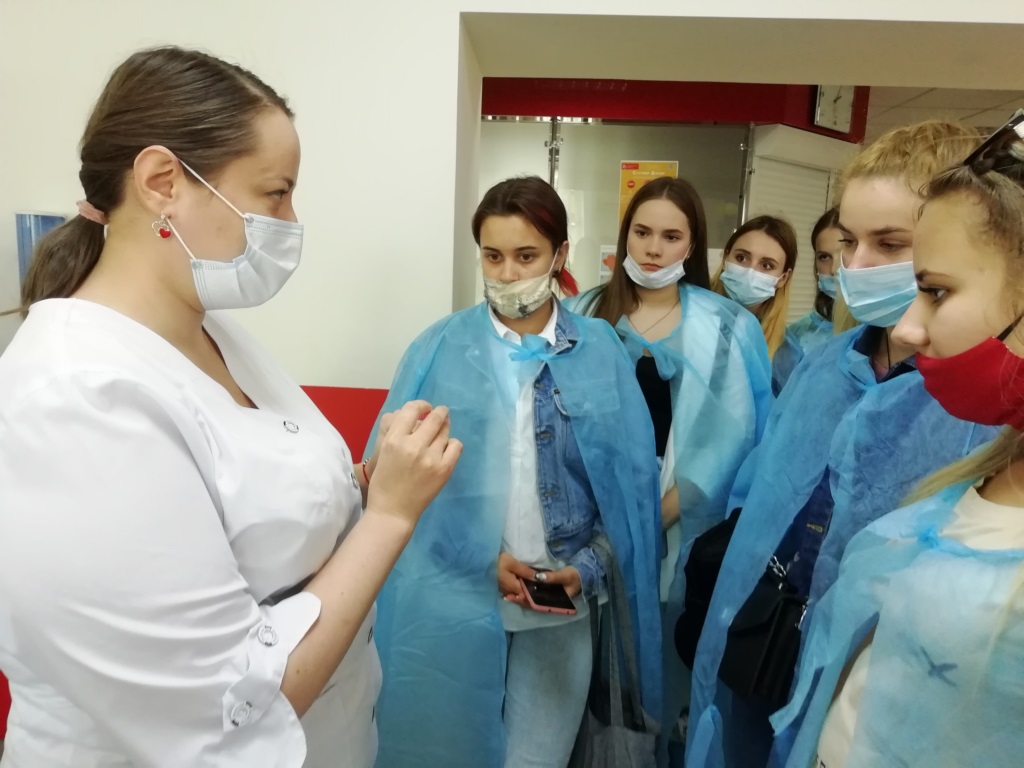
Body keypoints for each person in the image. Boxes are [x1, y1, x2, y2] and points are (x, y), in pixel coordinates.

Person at [0, 46, 459, 768]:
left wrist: (354, 491)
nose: (291, 220)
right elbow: (229, 713)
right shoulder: (75, 398)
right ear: (163, 182)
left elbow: (243, 504)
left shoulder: (211, 332)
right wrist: (390, 516)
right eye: (275, 193)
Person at [685, 121, 1000, 768]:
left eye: (891, 244)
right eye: (848, 243)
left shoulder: (982, 409)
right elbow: (757, 504)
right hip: (763, 640)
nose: (855, 268)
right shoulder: (826, 365)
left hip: (876, 696)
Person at [370, 176, 663, 768]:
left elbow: (631, 493)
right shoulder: (439, 347)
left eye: (526, 256)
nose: (507, 274)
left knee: (535, 760)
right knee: (445, 752)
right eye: (493, 256)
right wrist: (483, 556)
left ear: (560, 255)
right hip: (456, 594)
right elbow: (393, 483)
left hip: (558, 602)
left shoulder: (601, 351)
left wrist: (586, 570)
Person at [773, 109, 1024, 768]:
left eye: (933, 289)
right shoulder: (985, 476)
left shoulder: (968, 419)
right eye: (846, 243)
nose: (910, 326)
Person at [568, 176, 772, 764]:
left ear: (693, 244)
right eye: (642, 232)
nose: (654, 248)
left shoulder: (729, 329)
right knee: (586, 680)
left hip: (679, 530)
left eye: (671, 236)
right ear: (625, 236)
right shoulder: (583, 313)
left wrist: (649, 521)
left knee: (663, 674)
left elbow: (733, 447)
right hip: (585, 527)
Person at [772, 208, 843, 394]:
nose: (834, 269)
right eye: (824, 257)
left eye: (845, 252)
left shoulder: (894, 335)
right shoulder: (798, 337)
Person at [710, 215, 799, 360]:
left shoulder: (786, 354)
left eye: (766, 265)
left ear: (783, 278)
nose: (749, 273)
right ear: (726, 257)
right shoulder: (689, 314)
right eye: (741, 258)